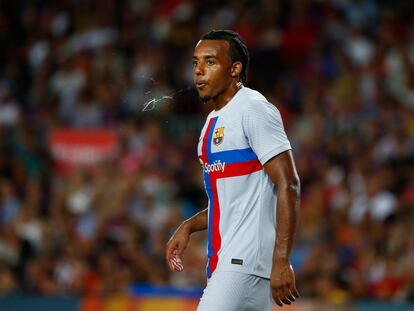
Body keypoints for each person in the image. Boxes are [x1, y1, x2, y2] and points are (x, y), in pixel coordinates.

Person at [166, 30, 300, 310]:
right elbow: (229, 201)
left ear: (234, 69)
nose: (199, 71)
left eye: (211, 62)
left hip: (244, 262)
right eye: (195, 63)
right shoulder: (211, 125)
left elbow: (288, 183)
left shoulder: (253, 109)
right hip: (228, 263)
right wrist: (188, 226)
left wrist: (282, 260)